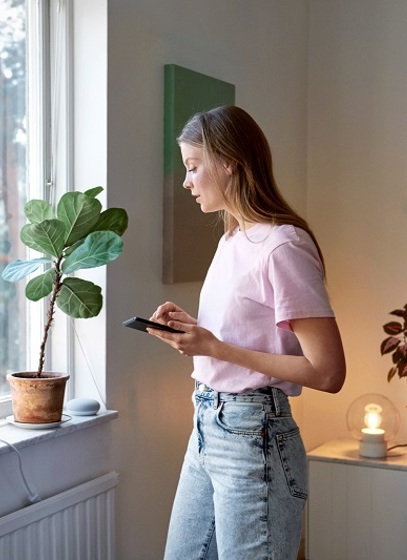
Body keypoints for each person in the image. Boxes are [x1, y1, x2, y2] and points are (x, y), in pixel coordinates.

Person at [148, 105, 346, 560]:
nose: (186, 181)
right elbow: (245, 339)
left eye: (194, 167)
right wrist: (198, 333)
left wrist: (215, 346)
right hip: (206, 426)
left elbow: (329, 372)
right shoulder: (232, 240)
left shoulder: (284, 245)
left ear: (230, 162)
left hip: (253, 436)